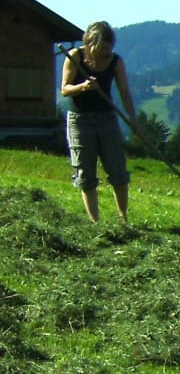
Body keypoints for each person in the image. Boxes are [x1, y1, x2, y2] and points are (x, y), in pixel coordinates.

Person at [60, 21, 138, 224]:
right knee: (86, 173)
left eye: (109, 49)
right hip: (80, 121)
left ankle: (123, 218)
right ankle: (96, 223)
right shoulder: (75, 57)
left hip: (107, 119)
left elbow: (125, 93)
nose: (106, 53)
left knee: (118, 170)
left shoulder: (116, 62)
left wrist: (134, 120)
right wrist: (83, 87)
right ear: (90, 42)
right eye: (102, 48)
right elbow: (65, 89)